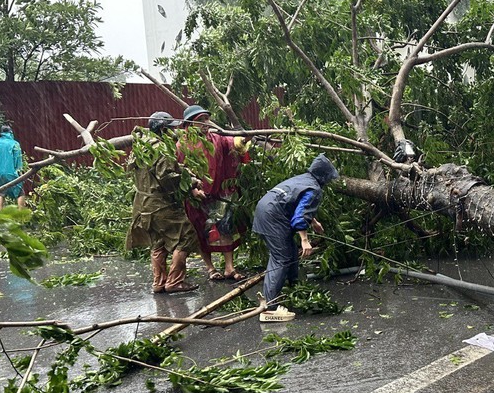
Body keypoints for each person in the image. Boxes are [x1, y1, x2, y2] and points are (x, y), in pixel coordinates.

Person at [253, 154, 339, 322]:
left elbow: (295, 201)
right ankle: (269, 309)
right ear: (324, 176)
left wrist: (313, 221)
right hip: (273, 217)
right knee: (281, 258)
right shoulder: (315, 189)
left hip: (265, 209)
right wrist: (305, 240)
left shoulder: (303, 179)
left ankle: (293, 287)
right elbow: (299, 217)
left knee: (290, 251)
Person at [125, 112, 204, 294]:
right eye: (171, 128)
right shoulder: (162, 149)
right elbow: (167, 177)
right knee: (186, 236)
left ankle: (158, 282)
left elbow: (162, 169)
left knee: (158, 242)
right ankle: (175, 281)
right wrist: (191, 182)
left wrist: (186, 171)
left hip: (143, 205)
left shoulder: (141, 147)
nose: (175, 132)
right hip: (161, 204)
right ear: (163, 129)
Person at [179, 105, 249, 282]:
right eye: (200, 120)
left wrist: (243, 138)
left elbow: (233, 144)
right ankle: (210, 268)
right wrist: (192, 189)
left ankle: (229, 267)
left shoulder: (217, 138)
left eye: (206, 119)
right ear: (190, 125)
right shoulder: (182, 145)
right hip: (197, 196)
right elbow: (180, 171)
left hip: (220, 192)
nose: (205, 123)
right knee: (201, 231)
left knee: (226, 227)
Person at [0, 125, 27, 211]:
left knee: (1, 192)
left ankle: (0, 215)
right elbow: (18, 160)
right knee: (20, 193)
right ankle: (21, 216)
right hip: (10, 172)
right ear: (10, 133)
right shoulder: (14, 144)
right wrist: (20, 173)